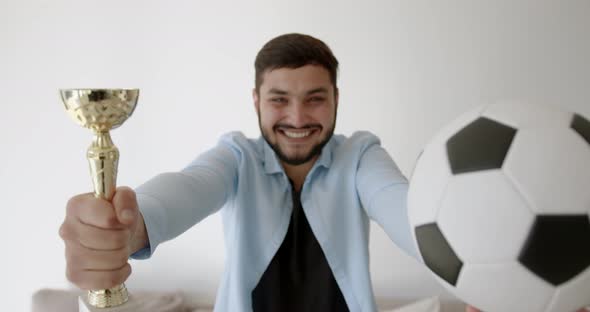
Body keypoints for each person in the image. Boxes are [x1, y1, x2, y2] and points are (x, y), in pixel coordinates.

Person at [59, 33, 491, 312]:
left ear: (337, 99)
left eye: (315, 98)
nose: (298, 117)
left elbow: (406, 210)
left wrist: (481, 268)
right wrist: (126, 229)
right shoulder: (236, 157)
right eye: (280, 99)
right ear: (256, 101)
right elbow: (187, 188)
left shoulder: (361, 156)